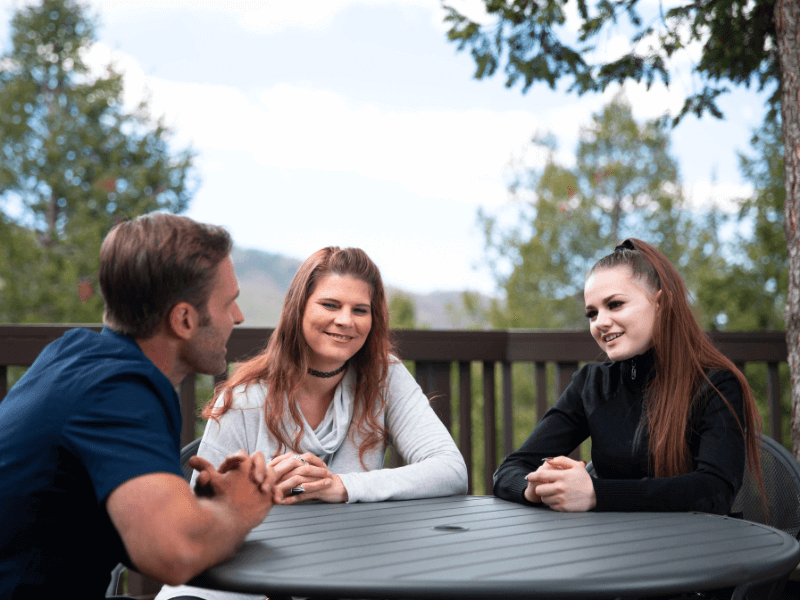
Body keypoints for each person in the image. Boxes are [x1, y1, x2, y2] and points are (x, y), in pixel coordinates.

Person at [157, 246, 468, 600]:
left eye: (360, 310)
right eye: (330, 305)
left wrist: (341, 487)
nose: (346, 320)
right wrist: (262, 491)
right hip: (241, 578)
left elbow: (451, 470)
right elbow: (198, 516)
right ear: (299, 309)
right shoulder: (244, 398)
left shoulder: (385, 377)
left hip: (342, 571)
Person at [0, 213, 278, 600]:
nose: (239, 317)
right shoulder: (117, 391)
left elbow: (132, 535)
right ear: (184, 319)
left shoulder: (74, 354)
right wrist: (241, 508)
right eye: (229, 303)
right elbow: (173, 554)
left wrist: (202, 510)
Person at [493, 238, 762, 514]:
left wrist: (597, 493)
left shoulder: (715, 384)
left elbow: (714, 491)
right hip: (615, 549)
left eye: (615, 304)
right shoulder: (592, 385)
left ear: (661, 303)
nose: (600, 322)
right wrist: (536, 487)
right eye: (592, 313)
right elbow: (509, 470)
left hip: (695, 548)